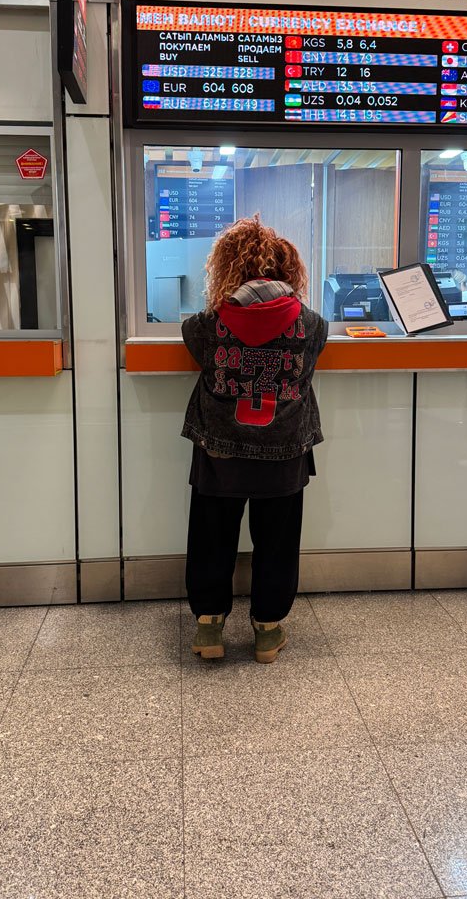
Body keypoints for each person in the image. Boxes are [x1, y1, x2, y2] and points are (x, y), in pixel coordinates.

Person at [181, 216, 328, 664]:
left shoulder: (205, 325)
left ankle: (209, 627)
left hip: (219, 448)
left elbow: (194, 345)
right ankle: (267, 630)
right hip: (284, 448)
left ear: (228, 267)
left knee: (211, 535)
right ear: (288, 269)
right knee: (277, 540)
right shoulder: (313, 325)